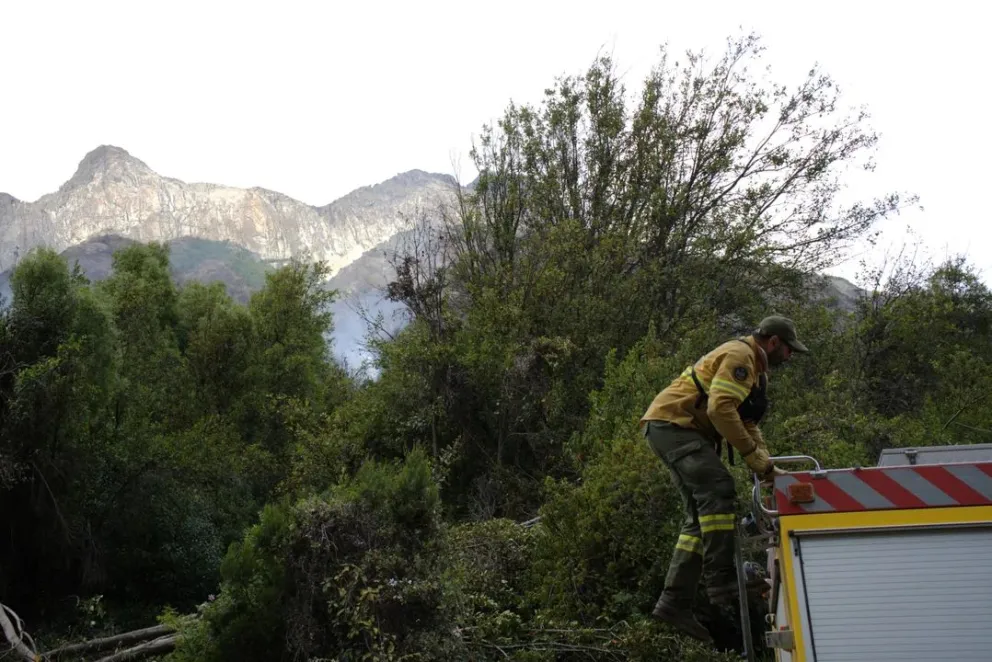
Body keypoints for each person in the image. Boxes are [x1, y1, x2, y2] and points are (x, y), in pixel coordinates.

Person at [640, 315, 808, 643]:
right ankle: (723, 579)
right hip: (675, 426)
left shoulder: (756, 371)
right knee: (719, 489)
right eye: (789, 350)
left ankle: (674, 601)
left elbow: (746, 423)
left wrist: (768, 467)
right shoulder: (741, 357)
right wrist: (751, 456)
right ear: (774, 342)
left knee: (699, 521)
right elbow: (720, 410)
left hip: (673, 429)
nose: (789, 357)